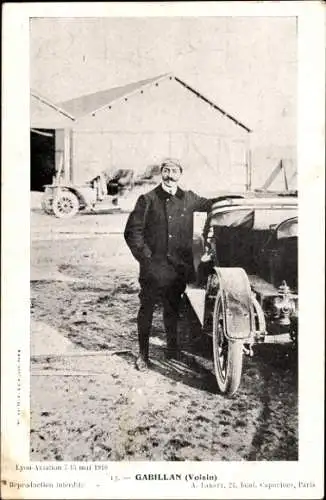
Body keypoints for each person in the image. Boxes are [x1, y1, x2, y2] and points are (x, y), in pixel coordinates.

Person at [124, 158, 212, 371]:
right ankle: (143, 355)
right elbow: (132, 232)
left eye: (174, 171)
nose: (170, 175)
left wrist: (234, 200)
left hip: (177, 269)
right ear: (161, 173)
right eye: (166, 170)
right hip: (154, 268)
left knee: (172, 309)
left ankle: (172, 349)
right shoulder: (148, 199)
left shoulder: (189, 198)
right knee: (147, 309)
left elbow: (212, 204)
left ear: (180, 174)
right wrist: (146, 258)